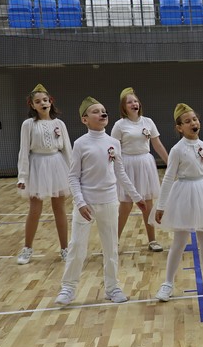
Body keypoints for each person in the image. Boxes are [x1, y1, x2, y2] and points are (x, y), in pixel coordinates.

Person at [54, 97, 146, 305]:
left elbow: (120, 172)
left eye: (103, 110)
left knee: (111, 246)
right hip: (86, 204)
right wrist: (80, 202)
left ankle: (112, 288)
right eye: (95, 111)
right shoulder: (80, 144)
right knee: (77, 246)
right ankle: (68, 288)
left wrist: (136, 196)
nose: (102, 113)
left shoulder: (114, 143)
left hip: (109, 202)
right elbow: (73, 176)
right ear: (84, 119)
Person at [153, 103, 203, 302]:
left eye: (195, 119)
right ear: (179, 128)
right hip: (184, 193)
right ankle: (167, 283)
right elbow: (169, 177)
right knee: (179, 242)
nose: (193, 123)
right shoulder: (177, 149)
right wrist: (161, 205)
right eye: (187, 121)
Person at [16, 83, 72, 265]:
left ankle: (65, 249)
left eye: (45, 100)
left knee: (59, 208)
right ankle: (27, 248)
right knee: (35, 209)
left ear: (51, 101)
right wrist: (22, 176)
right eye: (38, 101)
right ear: (32, 105)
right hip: (37, 166)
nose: (43, 103)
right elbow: (24, 151)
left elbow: (67, 149)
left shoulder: (59, 124)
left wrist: (74, 173)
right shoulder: (28, 125)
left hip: (57, 165)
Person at [111, 86, 169, 252]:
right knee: (126, 205)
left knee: (148, 204)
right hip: (127, 164)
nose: (134, 104)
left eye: (135, 101)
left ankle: (152, 240)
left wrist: (170, 163)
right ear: (124, 106)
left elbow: (157, 144)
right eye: (130, 102)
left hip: (145, 164)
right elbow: (112, 147)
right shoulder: (119, 125)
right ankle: (113, 241)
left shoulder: (148, 122)